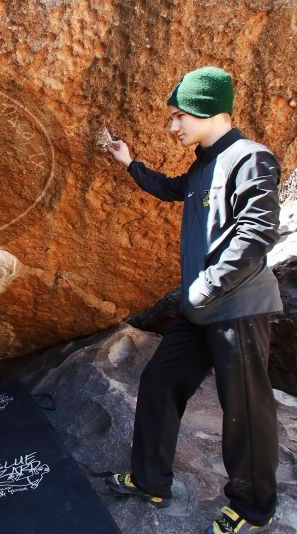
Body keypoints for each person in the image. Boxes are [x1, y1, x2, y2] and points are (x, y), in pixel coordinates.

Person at [106, 66, 282, 534]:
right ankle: (150, 481)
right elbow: (171, 189)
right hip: (200, 309)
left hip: (239, 311)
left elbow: (258, 232)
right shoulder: (202, 164)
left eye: (179, 116)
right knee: (160, 383)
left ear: (210, 110)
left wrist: (203, 288)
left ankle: (252, 508)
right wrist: (129, 164)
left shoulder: (252, 158)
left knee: (244, 411)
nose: (173, 126)